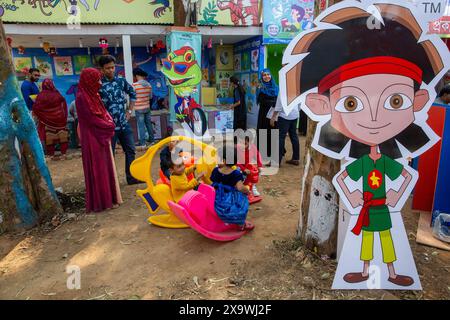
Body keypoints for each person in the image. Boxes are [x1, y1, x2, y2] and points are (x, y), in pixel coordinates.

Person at [75, 68, 123, 213]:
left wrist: (109, 122)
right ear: (89, 81)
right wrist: (109, 124)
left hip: (101, 136)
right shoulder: (81, 97)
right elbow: (92, 119)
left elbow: (103, 113)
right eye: (97, 80)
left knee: (106, 166)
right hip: (92, 138)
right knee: (99, 168)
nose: (100, 83)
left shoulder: (93, 95)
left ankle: (111, 198)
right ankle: (102, 201)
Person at [98, 55, 140, 185]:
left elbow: (133, 93)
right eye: (107, 68)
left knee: (131, 150)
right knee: (109, 155)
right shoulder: (98, 84)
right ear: (102, 69)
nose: (111, 70)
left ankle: (131, 177)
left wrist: (129, 111)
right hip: (108, 127)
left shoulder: (121, 81)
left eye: (113, 67)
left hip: (124, 124)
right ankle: (110, 183)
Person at [211, 144, 253, 231]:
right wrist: (247, 191)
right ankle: (241, 224)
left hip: (216, 199)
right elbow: (240, 187)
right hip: (229, 199)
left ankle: (219, 219)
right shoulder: (236, 173)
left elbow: (213, 182)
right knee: (242, 204)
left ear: (224, 160)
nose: (216, 159)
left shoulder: (215, 171)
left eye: (218, 157)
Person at [32, 79, 69, 160]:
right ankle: (64, 154)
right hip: (60, 120)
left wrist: (42, 115)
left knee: (49, 137)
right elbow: (64, 105)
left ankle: (51, 155)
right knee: (63, 137)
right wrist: (63, 116)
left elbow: (36, 108)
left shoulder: (41, 96)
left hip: (47, 121)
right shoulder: (57, 94)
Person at [271, 95, 300, 166]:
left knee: (280, 138)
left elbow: (278, 105)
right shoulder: (296, 87)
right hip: (295, 114)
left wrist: (273, 117)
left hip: (284, 116)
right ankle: (296, 159)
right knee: (294, 136)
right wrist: (296, 111)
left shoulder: (283, 87)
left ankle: (277, 161)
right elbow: (300, 103)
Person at [256, 69, 278, 161]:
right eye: (264, 75)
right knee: (263, 130)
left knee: (272, 131)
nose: (266, 76)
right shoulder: (260, 87)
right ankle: (263, 153)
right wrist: (272, 102)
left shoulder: (276, 87)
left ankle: (272, 152)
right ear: (262, 77)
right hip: (264, 113)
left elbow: (279, 100)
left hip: (273, 113)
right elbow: (261, 100)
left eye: (268, 74)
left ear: (271, 75)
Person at [132, 68, 154, 147]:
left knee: (141, 126)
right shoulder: (149, 85)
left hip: (139, 109)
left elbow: (132, 98)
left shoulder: (134, 85)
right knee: (149, 124)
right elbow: (150, 97)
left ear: (137, 75)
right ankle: (152, 141)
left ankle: (143, 143)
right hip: (147, 108)